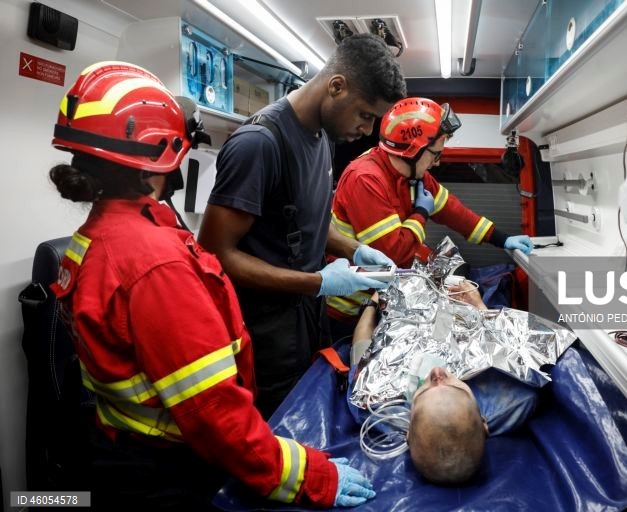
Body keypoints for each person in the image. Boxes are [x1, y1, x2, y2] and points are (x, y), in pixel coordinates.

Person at [48, 62, 374, 510]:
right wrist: (311, 476)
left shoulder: (100, 236)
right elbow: (214, 413)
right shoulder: (153, 263)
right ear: (158, 153)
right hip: (166, 471)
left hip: (122, 451)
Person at [198, 34, 408, 417]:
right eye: (364, 114)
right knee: (278, 426)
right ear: (336, 86)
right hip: (262, 333)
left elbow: (307, 218)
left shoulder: (322, 138)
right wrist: (318, 282)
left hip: (305, 318)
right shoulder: (259, 144)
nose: (368, 129)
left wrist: (351, 248)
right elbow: (213, 255)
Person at [327, 97, 534, 326]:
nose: (437, 163)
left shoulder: (415, 176)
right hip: (351, 311)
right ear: (412, 151)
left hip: (384, 300)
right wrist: (420, 214)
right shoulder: (365, 179)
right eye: (435, 154)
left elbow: (455, 212)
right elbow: (393, 256)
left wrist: (502, 239)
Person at [349, 281, 538, 485]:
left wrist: (372, 303)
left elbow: (361, 347)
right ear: (484, 423)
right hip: (459, 309)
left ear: (408, 433)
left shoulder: (373, 405)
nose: (436, 372)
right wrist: (479, 306)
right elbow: (514, 346)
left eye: (423, 391)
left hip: (405, 310)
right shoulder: (515, 399)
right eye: (455, 387)